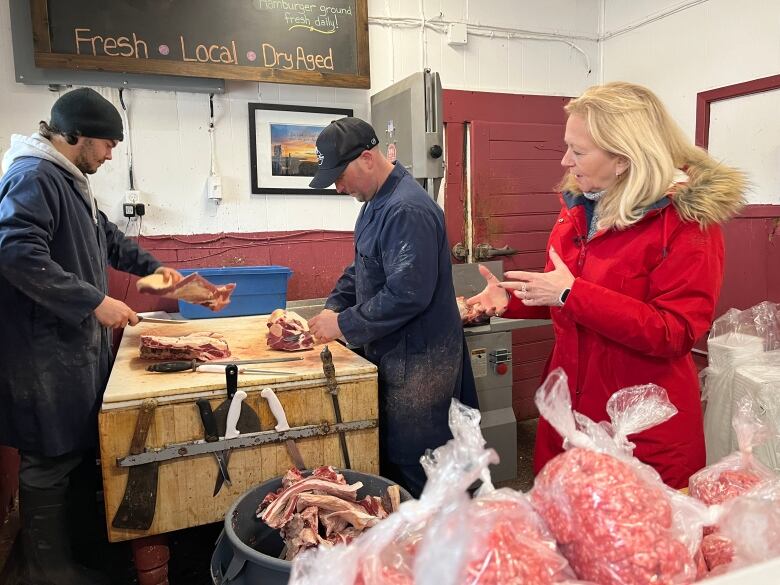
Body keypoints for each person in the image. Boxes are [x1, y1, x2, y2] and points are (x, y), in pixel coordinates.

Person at [468, 82, 746, 489]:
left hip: (638, 432)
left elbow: (675, 332)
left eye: (578, 151)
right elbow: (563, 293)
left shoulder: (687, 223)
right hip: (568, 414)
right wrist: (511, 299)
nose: (565, 160)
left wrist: (570, 293)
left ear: (623, 158)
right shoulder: (580, 206)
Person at [0, 87, 181, 584]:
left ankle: (77, 561)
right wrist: (95, 302)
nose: (110, 153)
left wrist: (177, 284)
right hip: (41, 355)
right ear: (73, 135)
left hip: (70, 351)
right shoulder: (32, 175)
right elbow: (16, 252)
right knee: (47, 460)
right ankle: (47, 573)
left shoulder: (69, 178)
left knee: (72, 454)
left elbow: (113, 244)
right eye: (105, 144)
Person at [307, 117, 478, 498]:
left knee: (424, 471)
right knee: (398, 469)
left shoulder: (406, 209)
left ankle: (448, 552)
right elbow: (361, 268)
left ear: (367, 158)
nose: (338, 188)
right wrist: (333, 307)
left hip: (421, 367)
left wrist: (344, 325)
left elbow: (407, 293)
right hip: (395, 360)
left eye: (340, 175)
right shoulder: (373, 204)